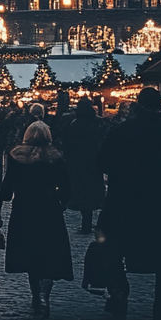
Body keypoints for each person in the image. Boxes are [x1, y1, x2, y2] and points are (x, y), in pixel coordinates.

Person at [96, 87, 161, 320]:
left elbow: (102, 162)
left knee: (112, 249)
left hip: (124, 202)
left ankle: (119, 298)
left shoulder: (123, 131)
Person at [0, 121, 73, 319]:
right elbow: (66, 187)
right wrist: (64, 200)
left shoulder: (17, 157)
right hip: (49, 209)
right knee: (49, 252)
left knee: (30, 253)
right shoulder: (55, 157)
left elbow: (7, 185)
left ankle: (37, 294)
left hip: (24, 209)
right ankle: (45, 295)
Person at [59, 97, 105, 233]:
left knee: (82, 193)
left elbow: (67, 144)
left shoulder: (74, 124)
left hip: (78, 164)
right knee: (91, 193)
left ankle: (86, 223)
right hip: (94, 163)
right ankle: (89, 222)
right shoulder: (98, 123)